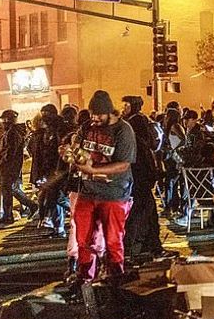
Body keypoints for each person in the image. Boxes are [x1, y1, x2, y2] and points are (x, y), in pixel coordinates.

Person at [70, 91, 137, 282]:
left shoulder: (123, 130)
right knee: (83, 239)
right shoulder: (87, 126)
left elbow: (123, 164)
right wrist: (71, 152)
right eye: (92, 114)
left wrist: (93, 169)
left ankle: (116, 278)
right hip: (88, 191)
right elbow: (77, 147)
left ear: (109, 112)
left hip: (114, 192)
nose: (95, 118)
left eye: (99, 114)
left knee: (113, 240)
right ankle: (85, 278)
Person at [121, 95, 167, 261]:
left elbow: (141, 147)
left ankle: (140, 246)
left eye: (126, 105)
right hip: (139, 173)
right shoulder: (134, 121)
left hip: (139, 172)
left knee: (141, 210)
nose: (123, 108)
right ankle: (150, 246)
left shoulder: (135, 122)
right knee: (145, 210)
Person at [0, 109, 38, 224]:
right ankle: (8, 215)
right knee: (8, 190)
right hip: (8, 166)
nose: (2, 122)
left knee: (10, 189)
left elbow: (11, 152)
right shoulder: (10, 131)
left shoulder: (13, 133)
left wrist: (2, 162)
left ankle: (30, 206)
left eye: (4, 120)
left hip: (10, 166)